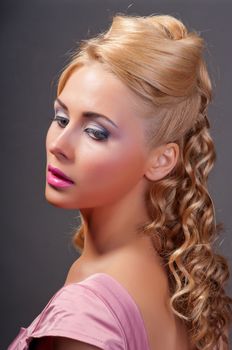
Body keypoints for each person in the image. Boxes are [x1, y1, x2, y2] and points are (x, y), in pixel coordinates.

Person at [8, 13, 232, 350]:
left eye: (96, 132)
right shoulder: (180, 275)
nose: (58, 145)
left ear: (161, 160)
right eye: (61, 118)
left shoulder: (87, 312)